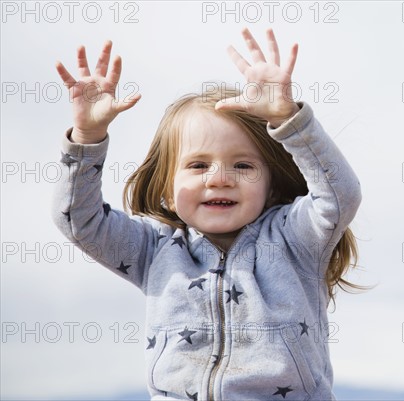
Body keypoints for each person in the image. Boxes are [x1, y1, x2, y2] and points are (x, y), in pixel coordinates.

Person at [52, 28, 362, 400]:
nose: (219, 179)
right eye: (198, 165)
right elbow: (78, 220)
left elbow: (339, 195)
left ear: (272, 184)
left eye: (243, 166)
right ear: (167, 186)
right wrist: (87, 138)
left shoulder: (294, 238)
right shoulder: (153, 251)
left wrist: (289, 120)